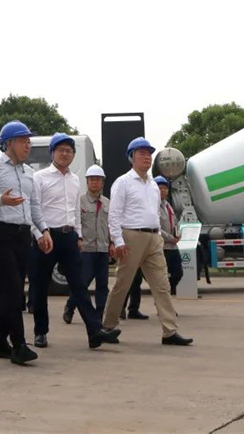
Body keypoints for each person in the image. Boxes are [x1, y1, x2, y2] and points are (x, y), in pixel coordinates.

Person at [31, 133, 120, 349]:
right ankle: (41, 332)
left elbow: (75, 211)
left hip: (69, 237)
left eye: (69, 151)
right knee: (40, 286)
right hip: (46, 237)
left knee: (80, 286)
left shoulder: (74, 180)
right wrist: (39, 233)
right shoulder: (39, 177)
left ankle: (94, 332)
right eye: (60, 150)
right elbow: (32, 209)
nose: (65, 154)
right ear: (52, 153)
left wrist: (79, 235)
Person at [102, 137, 193, 346]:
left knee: (162, 284)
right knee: (123, 283)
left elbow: (154, 213)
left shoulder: (153, 185)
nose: (147, 157)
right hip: (131, 237)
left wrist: (159, 235)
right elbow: (114, 214)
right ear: (131, 157)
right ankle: (107, 326)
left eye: (149, 153)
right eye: (141, 153)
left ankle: (170, 331)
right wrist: (117, 240)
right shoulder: (123, 182)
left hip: (154, 238)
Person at [0, 120, 52, 365]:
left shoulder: (29, 172)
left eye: (29, 141)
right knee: (13, 289)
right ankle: (18, 345)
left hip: (22, 235)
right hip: (1, 233)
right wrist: (1, 200)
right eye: (23, 141)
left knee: (11, 290)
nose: (28, 145)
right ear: (9, 143)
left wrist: (43, 231)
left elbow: (34, 206)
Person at [63, 165, 113, 324]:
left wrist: (112, 243)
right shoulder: (80, 201)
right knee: (82, 283)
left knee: (102, 285)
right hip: (86, 249)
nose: (94, 182)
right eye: (91, 179)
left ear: (102, 183)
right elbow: (75, 223)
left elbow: (110, 225)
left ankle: (98, 316)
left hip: (103, 249)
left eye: (98, 180)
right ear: (87, 182)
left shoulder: (107, 203)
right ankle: (70, 306)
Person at [156, 176, 183, 295]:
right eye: (160, 188)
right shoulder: (153, 206)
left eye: (165, 188)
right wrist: (170, 238)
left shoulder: (168, 206)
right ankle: (163, 294)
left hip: (172, 246)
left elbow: (175, 222)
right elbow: (156, 228)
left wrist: (178, 234)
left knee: (178, 272)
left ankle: (168, 291)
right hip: (161, 246)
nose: (163, 190)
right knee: (159, 275)